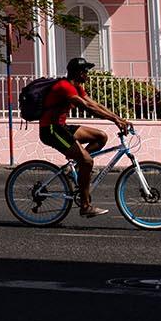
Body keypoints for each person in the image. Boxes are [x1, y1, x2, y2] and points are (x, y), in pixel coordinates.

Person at [39, 57, 129, 217]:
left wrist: (118, 118)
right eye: (86, 71)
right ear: (78, 73)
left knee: (100, 137)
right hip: (51, 130)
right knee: (87, 160)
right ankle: (85, 206)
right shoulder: (64, 87)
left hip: (61, 127)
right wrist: (114, 120)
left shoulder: (77, 87)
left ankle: (74, 169)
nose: (88, 74)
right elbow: (88, 108)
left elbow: (95, 105)